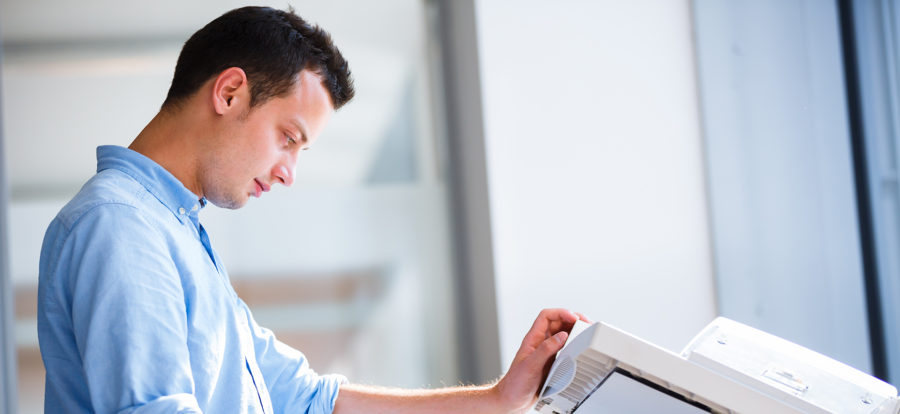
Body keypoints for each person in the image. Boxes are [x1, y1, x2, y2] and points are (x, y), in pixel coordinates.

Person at [37, 6, 588, 413]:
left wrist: (499, 399)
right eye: (287, 137)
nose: (288, 172)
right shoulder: (121, 226)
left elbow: (310, 400)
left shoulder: (176, 233)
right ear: (229, 93)